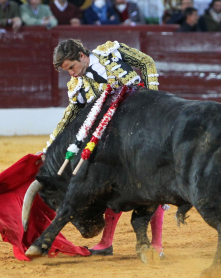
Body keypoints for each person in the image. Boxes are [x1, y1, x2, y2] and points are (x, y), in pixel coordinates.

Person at [43, 39, 165, 256]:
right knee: (109, 186)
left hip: (142, 128)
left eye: (71, 67)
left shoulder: (110, 53)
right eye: (66, 71)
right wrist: (50, 146)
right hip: (113, 141)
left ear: (81, 55)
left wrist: (153, 101)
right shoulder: (77, 86)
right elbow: (70, 116)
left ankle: (156, 244)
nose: (71, 73)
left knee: (152, 183)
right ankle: (106, 242)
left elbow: (146, 63)